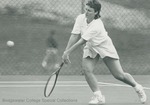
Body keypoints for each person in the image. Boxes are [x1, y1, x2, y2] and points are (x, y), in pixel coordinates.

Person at [62, 0, 147, 104]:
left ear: (96, 12)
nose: (86, 12)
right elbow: (74, 35)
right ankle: (98, 96)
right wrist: (66, 51)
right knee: (86, 70)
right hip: (91, 46)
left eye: (89, 10)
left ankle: (138, 87)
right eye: (86, 9)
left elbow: (82, 40)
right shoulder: (80, 18)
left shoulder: (97, 25)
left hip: (104, 46)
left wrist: (68, 52)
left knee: (119, 75)